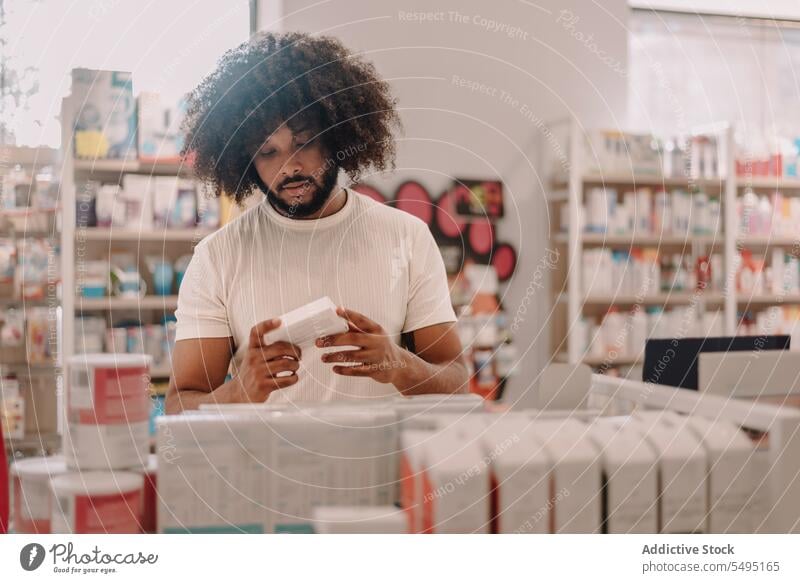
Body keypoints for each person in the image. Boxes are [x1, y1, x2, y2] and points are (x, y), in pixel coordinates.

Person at [165, 32, 468, 412]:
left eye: (304, 142)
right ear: (246, 162)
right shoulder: (217, 257)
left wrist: (398, 364)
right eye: (267, 152)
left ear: (338, 135)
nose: (290, 166)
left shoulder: (406, 237)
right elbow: (178, 405)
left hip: (381, 470)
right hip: (263, 469)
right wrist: (238, 391)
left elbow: (458, 382)